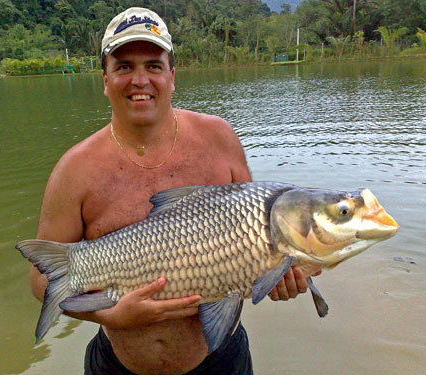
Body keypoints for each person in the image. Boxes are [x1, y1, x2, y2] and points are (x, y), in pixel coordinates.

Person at [30, 7, 313, 375]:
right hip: (118, 365)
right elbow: (42, 280)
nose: (140, 80)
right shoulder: (74, 170)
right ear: (105, 79)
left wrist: (279, 276)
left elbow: (256, 241)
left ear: (172, 76)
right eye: (124, 66)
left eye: (153, 65)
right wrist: (112, 316)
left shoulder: (220, 139)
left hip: (221, 360)